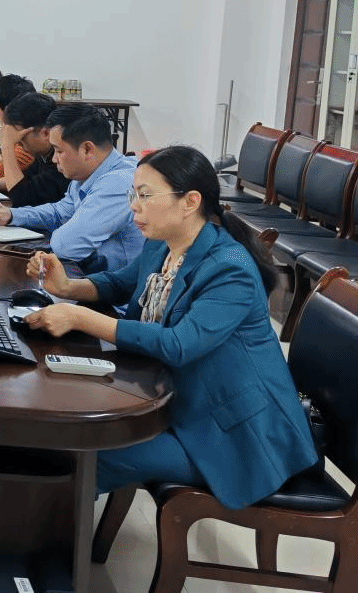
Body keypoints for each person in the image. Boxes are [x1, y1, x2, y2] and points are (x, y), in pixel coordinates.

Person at [23, 146, 317, 509]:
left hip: (232, 434)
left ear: (190, 201)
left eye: (145, 196)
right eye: (133, 195)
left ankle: (42, 533)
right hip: (178, 402)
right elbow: (120, 283)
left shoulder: (230, 269)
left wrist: (80, 317)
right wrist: (68, 287)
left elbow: (179, 344)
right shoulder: (163, 244)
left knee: (88, 454)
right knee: (68, 430)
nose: (134, 207)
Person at [0, 104, 143, 271]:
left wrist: (63, 230)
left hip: (119, 285)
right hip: (91, 275)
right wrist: (12, 215)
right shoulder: (85, 174)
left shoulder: (119, 183)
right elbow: (60, 213)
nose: (54, 159)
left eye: (59, 151)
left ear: (87, 149)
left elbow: (66, 245)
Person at [0, 92, 68, 207]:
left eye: (21, 137)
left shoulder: (61, 162)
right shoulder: (43, 155)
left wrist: (7, 145)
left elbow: (22, 198)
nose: (18, 143)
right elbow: (26, 180)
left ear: (45, 133)